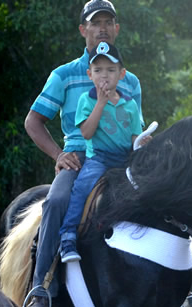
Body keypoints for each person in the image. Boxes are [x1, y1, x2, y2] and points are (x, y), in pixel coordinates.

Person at [23, 0, 192, 307]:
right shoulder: (65, 75)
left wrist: (143, 143)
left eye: (107, 22)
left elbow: (133, 128)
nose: (102, 28)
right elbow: (33, 121)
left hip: (125, 158)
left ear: (116, 29)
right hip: (82, 157)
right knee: (56, 201)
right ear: (83, 30)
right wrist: (59, 155)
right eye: (95, 23)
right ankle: (41, 288)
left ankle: (179, 293)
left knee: (169, 191)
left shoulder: (130, 81)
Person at [59, 41, 145, 263]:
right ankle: (68, 236)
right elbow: (86, 132)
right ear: (90, 74)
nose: (104, 75)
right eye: (98, 70)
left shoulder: (129, 105)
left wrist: (143, 141)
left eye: (110, 70)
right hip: (99, 159)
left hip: (125, 160)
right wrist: (100, 103)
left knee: (145, 189)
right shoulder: (86, 100)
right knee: (81, 188)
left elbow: (134, 137)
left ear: (121, 74)